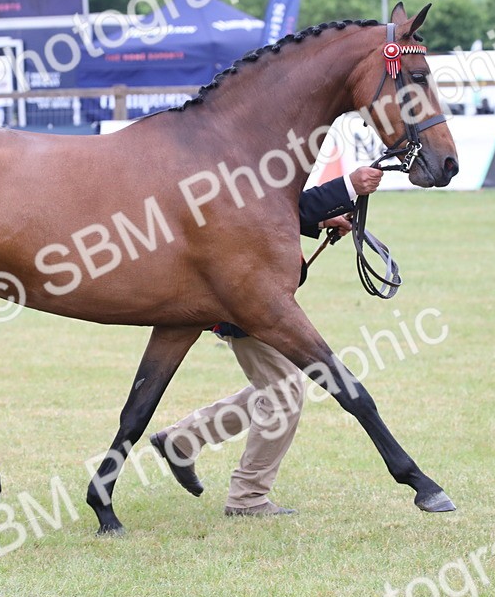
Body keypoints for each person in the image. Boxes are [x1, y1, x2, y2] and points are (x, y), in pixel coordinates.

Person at [151, 165, 384, 517]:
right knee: (285, 396)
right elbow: (259, 208)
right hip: (247, 304)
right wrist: (347, 187)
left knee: (274, 391)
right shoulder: (239, 158)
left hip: (252, 299)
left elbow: (276, 210)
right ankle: (246, 497)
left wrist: (318, 223)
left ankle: (183, 439)